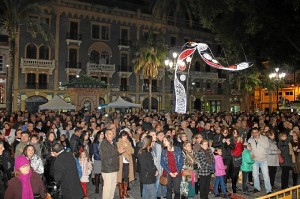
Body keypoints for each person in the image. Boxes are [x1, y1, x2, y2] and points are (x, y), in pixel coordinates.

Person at [100, 129, 125, 199]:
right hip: (107, 168)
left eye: (112, 134)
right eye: (110, 134)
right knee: (107, 189)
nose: (112, 135)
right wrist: (118, 151)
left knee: (113, 187)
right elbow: (106, 155)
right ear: (106, 135)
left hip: (114, 168)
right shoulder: (104, 143)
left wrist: (119, 152)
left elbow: (115, 153)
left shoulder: (113, 143)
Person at [248, 127, 272, 194]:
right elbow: (249, 149)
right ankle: (257, 188)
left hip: (263, 160)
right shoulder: (250, 139)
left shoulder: (264, 138)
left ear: (259, 132)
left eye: (256, 132)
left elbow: (267, 146)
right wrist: (251, 154)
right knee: (255, 175)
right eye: (253, 133)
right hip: (255, 160)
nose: (254, 134)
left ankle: (269, 190)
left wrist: (259, 140)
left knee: (266, 175)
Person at [137, 135, 158, 199]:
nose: (153, 143)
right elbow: (144, 166)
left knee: (146, 194)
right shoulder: (142, 152)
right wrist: (154, 172)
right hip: (147, 177)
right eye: (152, 142)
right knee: (153, 195)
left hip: (150, 175)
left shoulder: (148, 151)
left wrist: (156, 169)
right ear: (149, 142)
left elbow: (152, 163)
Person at [116, 130, 135, 198]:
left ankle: (125, 192)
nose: (125, 137)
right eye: (123, 136)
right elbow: (118, 152)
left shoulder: (128, 142)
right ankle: (121, 193)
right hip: (120, 163)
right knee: (120, 177)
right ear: (121, 136)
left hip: (127, 162)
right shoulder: (118, 143)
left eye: (126, 136)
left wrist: (127, 146)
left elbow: (132, 151)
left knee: (126, 178)